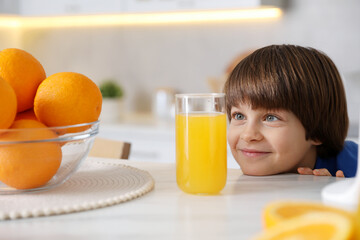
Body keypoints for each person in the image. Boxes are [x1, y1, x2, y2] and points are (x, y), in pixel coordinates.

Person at [224, 44, 358, 178]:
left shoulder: (355, 165)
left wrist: (348, 192)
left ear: (317, 131)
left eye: (271, 118)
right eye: (239, 116)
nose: (248, 135)